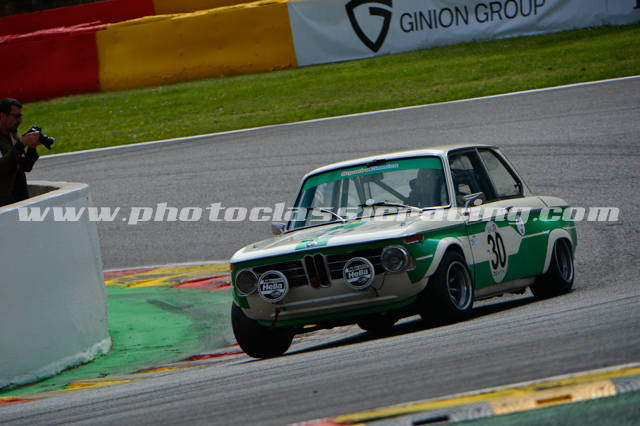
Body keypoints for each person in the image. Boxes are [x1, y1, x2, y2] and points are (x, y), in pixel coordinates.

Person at [0, 98, 41, 207]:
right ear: (2, 115)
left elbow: (26, 167)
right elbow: (2, 167)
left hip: (19, 198)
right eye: (16, 116)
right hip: (4, 203)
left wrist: (31, 148)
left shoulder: (13, 136)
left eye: (20, 116)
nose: (20, 120)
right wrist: (21, 144)